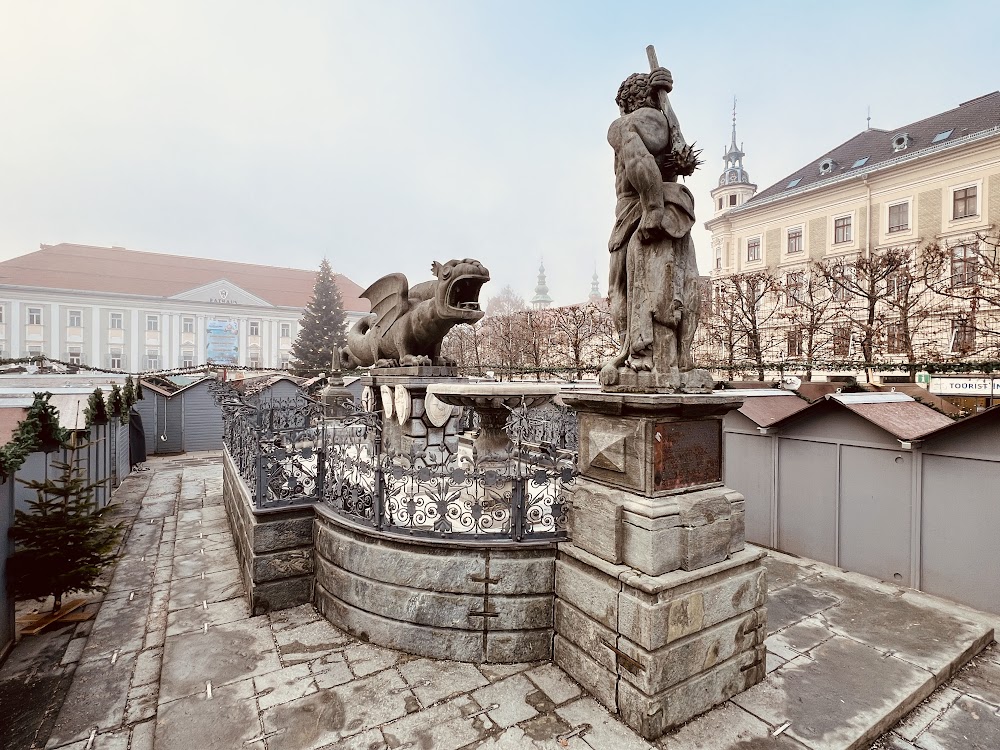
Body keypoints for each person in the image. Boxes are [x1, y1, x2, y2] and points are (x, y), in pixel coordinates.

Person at [601, 67, 708, 391]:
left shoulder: (625, 125)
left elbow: (637, 161)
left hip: (638, 212)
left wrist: (652, 206)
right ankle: (680, 358)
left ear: (624, 103)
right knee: (681, 282)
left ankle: (635, 357)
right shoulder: (664, 124)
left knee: (620, 288)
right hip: (676, 211)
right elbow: (683, 159)